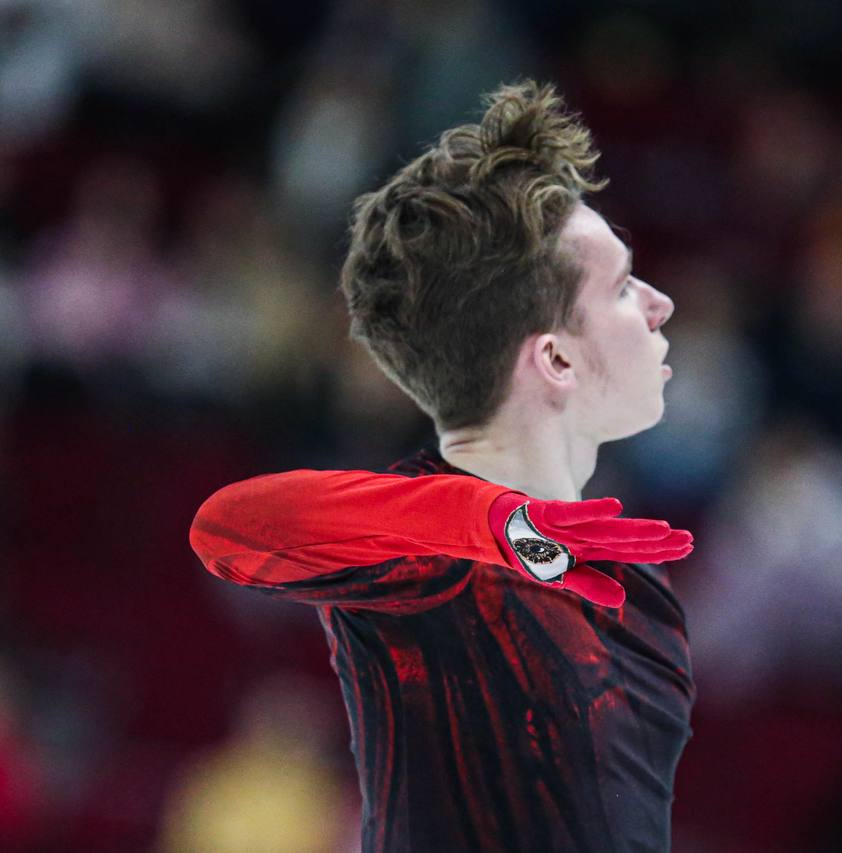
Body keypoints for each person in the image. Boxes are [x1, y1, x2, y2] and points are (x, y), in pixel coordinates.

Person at [188, 80, 695, 852]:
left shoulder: (631, 574)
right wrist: (484, 521)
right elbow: (226, 527)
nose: (660, 303)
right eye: (624, 286)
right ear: (556, 358)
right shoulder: (433, 558)